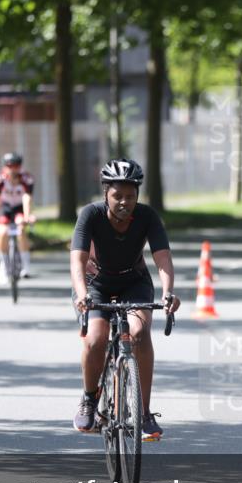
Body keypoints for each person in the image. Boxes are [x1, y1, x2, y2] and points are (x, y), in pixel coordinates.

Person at [70, 158, 181, 440]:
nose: (124, 202)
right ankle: (89, 399)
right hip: (96, 283)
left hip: (134, 281)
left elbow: (163, 258)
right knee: (96, 338)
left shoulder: (147, 217)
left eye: (130, 196)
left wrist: (168, 291)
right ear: (105, 193)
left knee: (140, 333)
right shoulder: (90, 215)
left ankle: (143, 415)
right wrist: (82, 293)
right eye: (117, 195)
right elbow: (77, 259)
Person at [0, 152, 36, 283]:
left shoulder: (26, 179)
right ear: (5, 166)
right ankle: (3, 266)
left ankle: (26, 266)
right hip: (5, 209)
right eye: (9, 166)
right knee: (2, 232)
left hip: (19, 208)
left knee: (21, 229)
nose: (12, 169)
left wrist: (28, 216)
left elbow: (27, 198)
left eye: (16, 166)